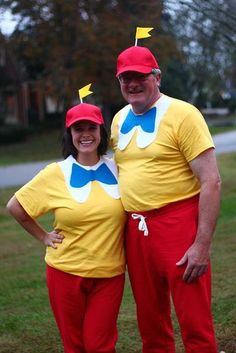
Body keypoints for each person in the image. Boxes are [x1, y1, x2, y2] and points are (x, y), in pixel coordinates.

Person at [110, 45, 221, 353]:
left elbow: (211, 180)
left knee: (194, 319)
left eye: (140, 77)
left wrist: (201, 245)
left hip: (178, 223)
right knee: (150, 320)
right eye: (125, 78)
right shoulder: (118, 120)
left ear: (156, 77)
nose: (132, 84)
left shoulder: (184, 114)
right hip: (136, 229)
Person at [7, 102, 126, 353]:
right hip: (65, 273)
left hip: (109, 274)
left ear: (101, 132)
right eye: (78, 129)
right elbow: (16, 206)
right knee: (75, 346)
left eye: (91, 128)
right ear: (69, 135)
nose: (85, 135)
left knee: (100, 345)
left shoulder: (118, 168)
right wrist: (44, 237)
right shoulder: (55, 173)